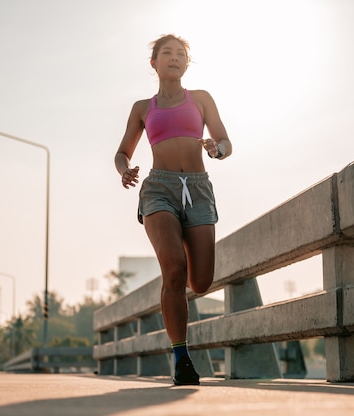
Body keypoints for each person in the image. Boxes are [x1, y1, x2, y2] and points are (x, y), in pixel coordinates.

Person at [115, 34, 232, 386]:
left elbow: (225, 142)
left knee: (200, 281)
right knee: (174, 269)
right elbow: (122, 152)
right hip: (159, 189)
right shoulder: (142, 107)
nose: (175, 58)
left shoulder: (201, 99)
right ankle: (181, 358)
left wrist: (217, 150)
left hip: (197, 190)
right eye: (167, 53)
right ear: (154, 63)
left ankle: (179, 264)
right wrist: (125, 170)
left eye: (181, 54)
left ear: (187, 63)